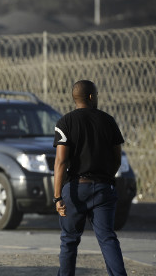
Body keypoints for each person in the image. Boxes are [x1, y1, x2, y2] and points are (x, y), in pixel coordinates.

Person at [53, 80, 127, 276]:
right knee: (107, 238)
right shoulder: (108, 121)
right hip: (104, 188)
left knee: (69, 240)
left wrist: (57, 197)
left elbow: (61, 162)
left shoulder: (65, 122)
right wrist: (105, 179)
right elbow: (117, 158)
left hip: (76, 189)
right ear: (92, 97)